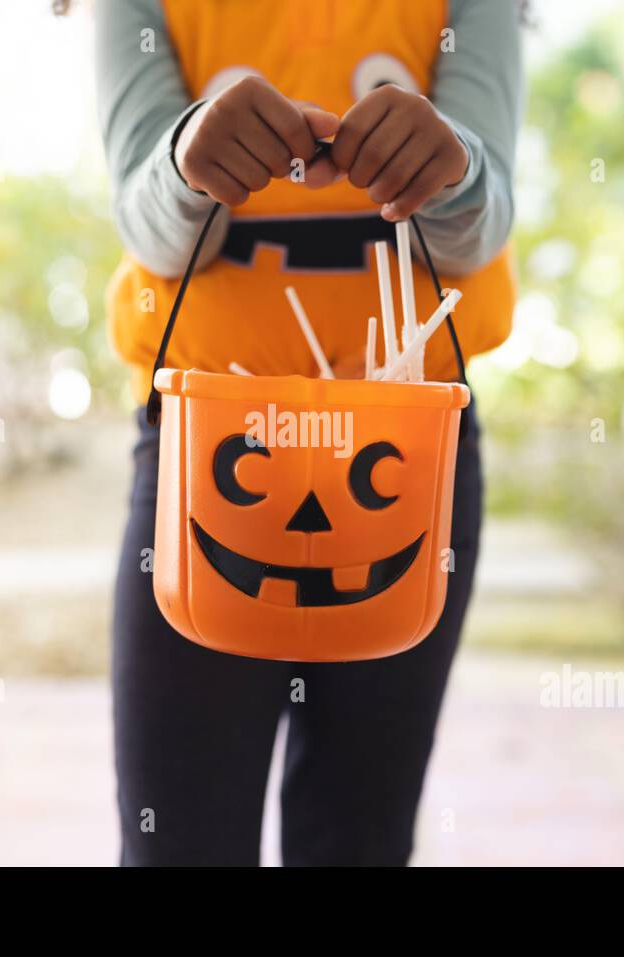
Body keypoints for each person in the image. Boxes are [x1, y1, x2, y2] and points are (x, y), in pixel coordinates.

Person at [88, 0, 521, 865]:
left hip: (405, 458)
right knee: (178, 839)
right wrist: (184, 162)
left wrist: (452, 167)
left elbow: (480, 225)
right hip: (207, 452)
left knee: (359, 837)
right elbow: (152, 227)